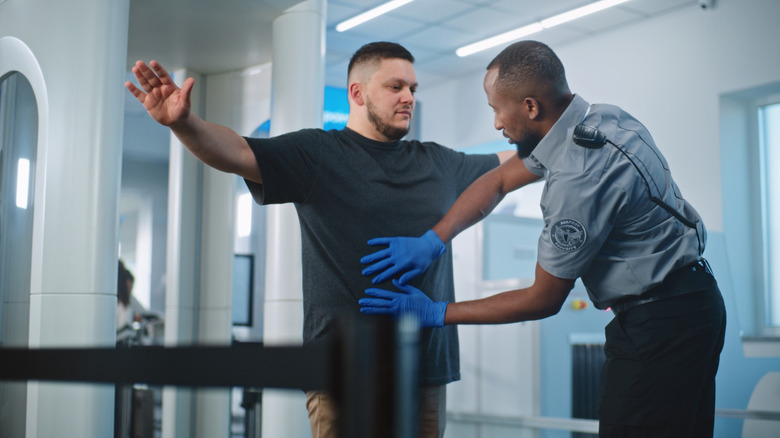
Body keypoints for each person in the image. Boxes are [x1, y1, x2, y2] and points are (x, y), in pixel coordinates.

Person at [125, 41, 513, 438]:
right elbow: (237, 151)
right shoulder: (319, 153)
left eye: (413, 89)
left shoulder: (439, 161)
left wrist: (565, 125)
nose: (408, 98)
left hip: (426, 371)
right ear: (357, 93)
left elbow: (516, 167)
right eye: (396, 87)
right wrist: (183, 124)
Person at [359, 40, 726, 437]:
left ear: (531, 107)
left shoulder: (577, 179)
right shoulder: (601, 119)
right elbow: (499, 180)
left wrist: (437, 312)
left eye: (497, 109)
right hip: (696, 303)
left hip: (660, 325)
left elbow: (544, 299)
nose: (497, 123)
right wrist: (434, 239)